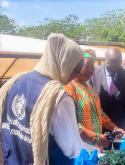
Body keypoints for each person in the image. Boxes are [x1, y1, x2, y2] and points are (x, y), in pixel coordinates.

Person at [0, 34, 96, 165]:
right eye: (76, 70)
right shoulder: (57, 97)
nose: (75, 76)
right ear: (64, 62)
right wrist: (99, 153)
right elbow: (73, 149)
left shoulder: (17, 81)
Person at [65, 49, 125, 149]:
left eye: (93, 67)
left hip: (96, 146)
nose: (91, 71)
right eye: (87, 66)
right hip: (80, 146)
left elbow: (100, 115)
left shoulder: (91, 89)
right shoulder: (69, 87)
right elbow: (71, 122)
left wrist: (115, 128)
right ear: (77, 65)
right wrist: (95, 137)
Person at [91, 47, 125, 139]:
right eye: (110, 64)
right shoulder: (93, 74)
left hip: (122, 129)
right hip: (99, 128)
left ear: (121, 61)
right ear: (105, 60)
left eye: (117, 64)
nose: (113, 68)